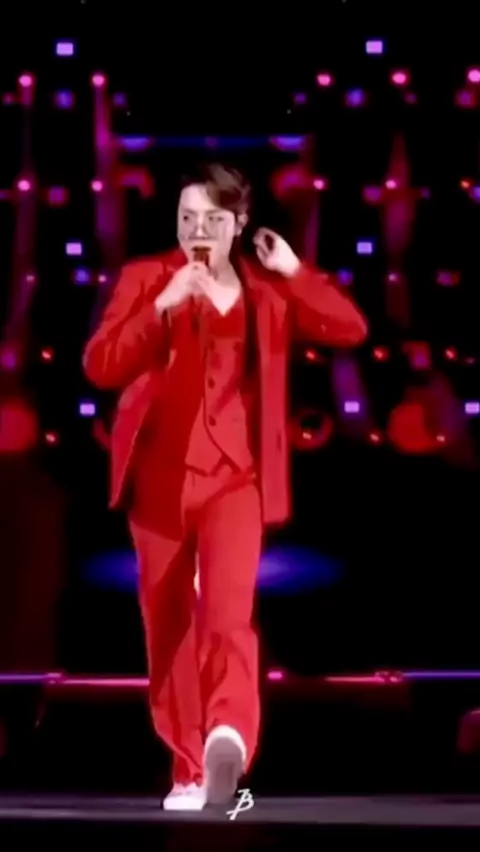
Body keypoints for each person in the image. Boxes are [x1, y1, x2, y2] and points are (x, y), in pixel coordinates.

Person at [83, 162, 368, 811]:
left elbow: (351, 329)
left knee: (226, 613)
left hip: (235, 480)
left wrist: (294, 270)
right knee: (168, 628)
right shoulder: (145, 278)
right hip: (158, 482)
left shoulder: (266, 292)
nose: (197, 232)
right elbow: (101, 366)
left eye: (213, 219)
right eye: (187, 218)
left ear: (239, 224)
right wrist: (161, 306)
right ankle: (187, 765)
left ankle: (228, 734)